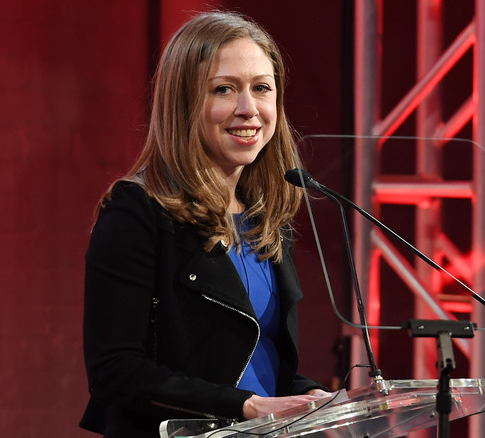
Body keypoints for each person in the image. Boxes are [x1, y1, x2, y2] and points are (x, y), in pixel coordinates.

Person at [79, 11, 331, 438]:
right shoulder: (137, 211)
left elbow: (257, 363)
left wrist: (313, 398)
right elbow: (114, 371)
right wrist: (245, 407)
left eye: (261, 89)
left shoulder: (267, 215)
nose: (248, 109)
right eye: (224, 90)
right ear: (184, 102)